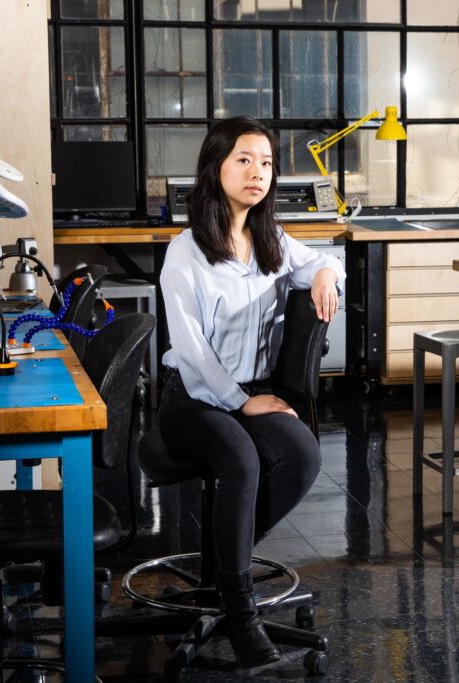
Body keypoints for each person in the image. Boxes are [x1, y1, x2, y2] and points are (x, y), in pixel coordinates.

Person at [158, 116, 345, 667]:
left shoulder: (271, 241)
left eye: (266, 163)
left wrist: (325, 275)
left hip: (252, 392)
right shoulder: (186, 253)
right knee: (241, 458)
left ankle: (225, 564)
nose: (257, 172)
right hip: (193, 396)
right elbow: (191, 351)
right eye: (243, 160)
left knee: (303, 454)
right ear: (215, 167)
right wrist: (240, 401)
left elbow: (325, 259)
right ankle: (239, 610)